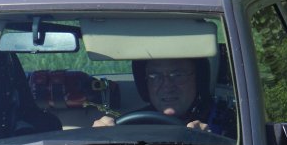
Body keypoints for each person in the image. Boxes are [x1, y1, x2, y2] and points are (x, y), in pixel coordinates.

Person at [93, 57, 223, 132]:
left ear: (198, 79)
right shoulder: (129, 126)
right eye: (155, 76)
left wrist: (212, 143)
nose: (167, 86)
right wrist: (98, 139)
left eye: (178, 75)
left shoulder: (226, 122)